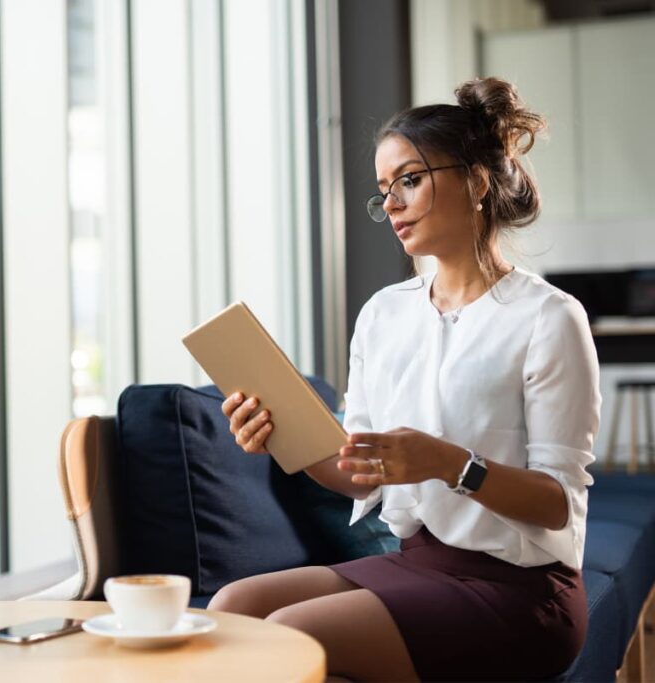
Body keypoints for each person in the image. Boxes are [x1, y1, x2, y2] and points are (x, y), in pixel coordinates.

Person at [207, 76, 600, 682]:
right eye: (383, 191)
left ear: (476, 180)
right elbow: (355, 469)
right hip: (417, 561)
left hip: (520, 587)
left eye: (409, 181)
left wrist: (450, 463)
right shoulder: (383, 314)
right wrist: (283, 435)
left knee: (290, 638)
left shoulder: (548, 317)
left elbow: (555, 505)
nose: (390, 204)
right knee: (232, 609)